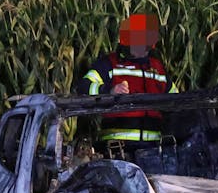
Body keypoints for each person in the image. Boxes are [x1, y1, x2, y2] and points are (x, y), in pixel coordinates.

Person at [71, 12, 180, 149]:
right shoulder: (110, 63)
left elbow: (176, 100)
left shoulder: (157, 67)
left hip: (153, 147)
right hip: (118, 146)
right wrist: (110, 91)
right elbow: (84, 87)